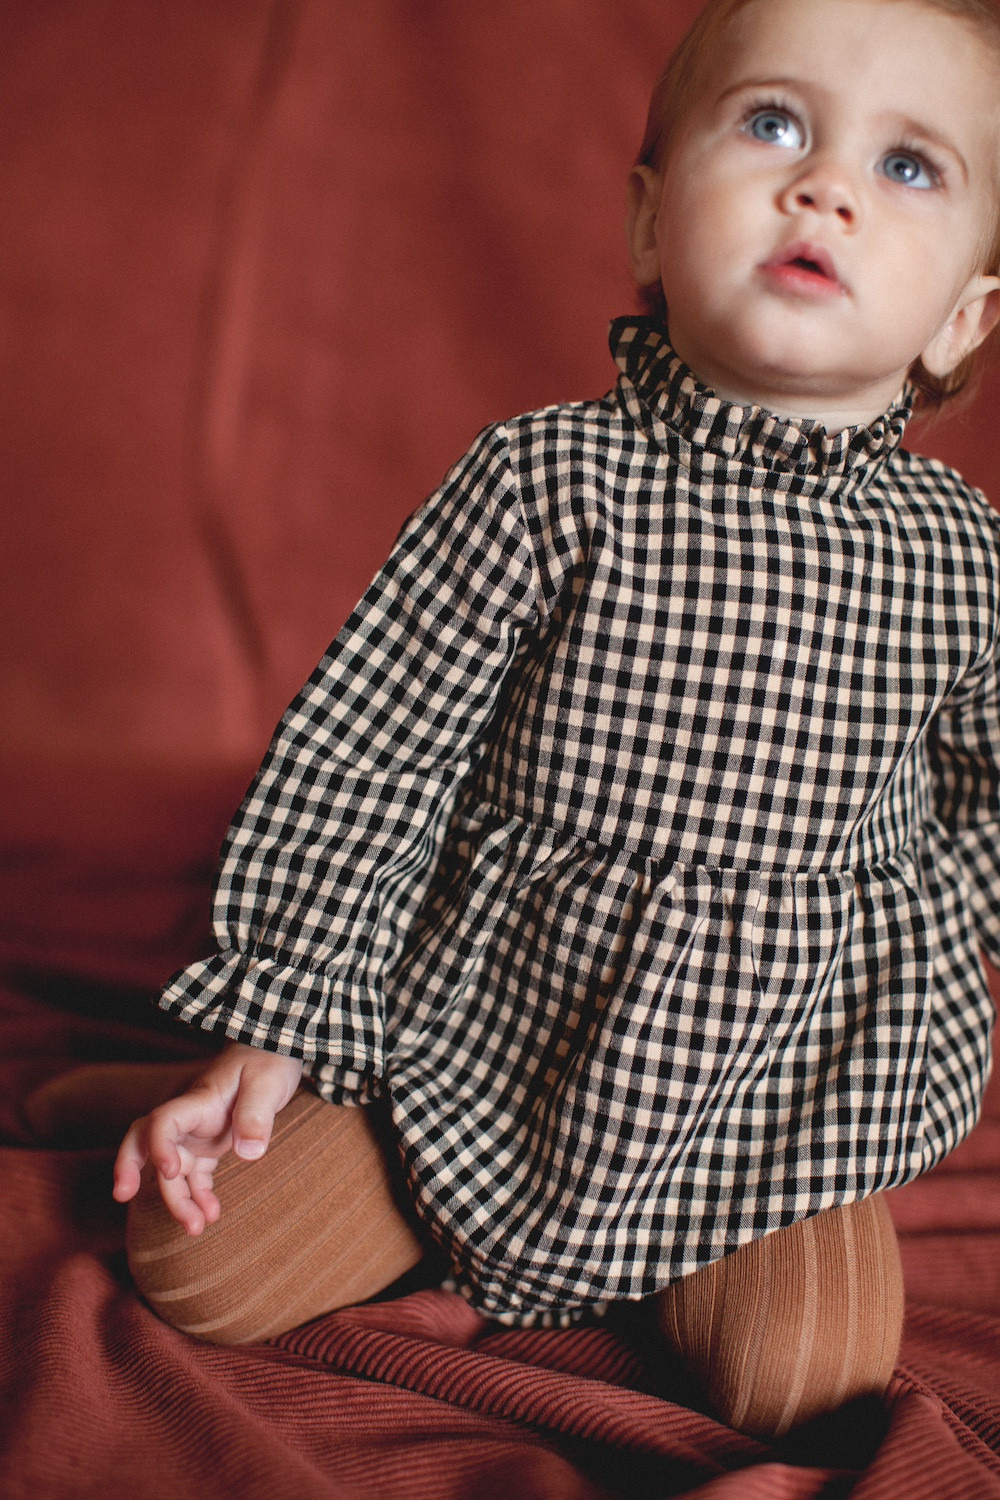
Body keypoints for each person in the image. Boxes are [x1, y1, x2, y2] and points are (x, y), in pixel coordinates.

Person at [99, 0, 1000, 1438]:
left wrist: (919, 965)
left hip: (773, 1087)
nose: (824, 185)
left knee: (807, 1380)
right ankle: (351, 1143)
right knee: (192, 1265)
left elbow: (983, 796)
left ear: (962, 317)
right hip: (479, 1031)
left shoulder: (958, 555)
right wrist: (281, 1019)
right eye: (773, 124)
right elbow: (375, 750)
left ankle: (745, 1217)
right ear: (649, 222)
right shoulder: (546, 479)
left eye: (908, 166)